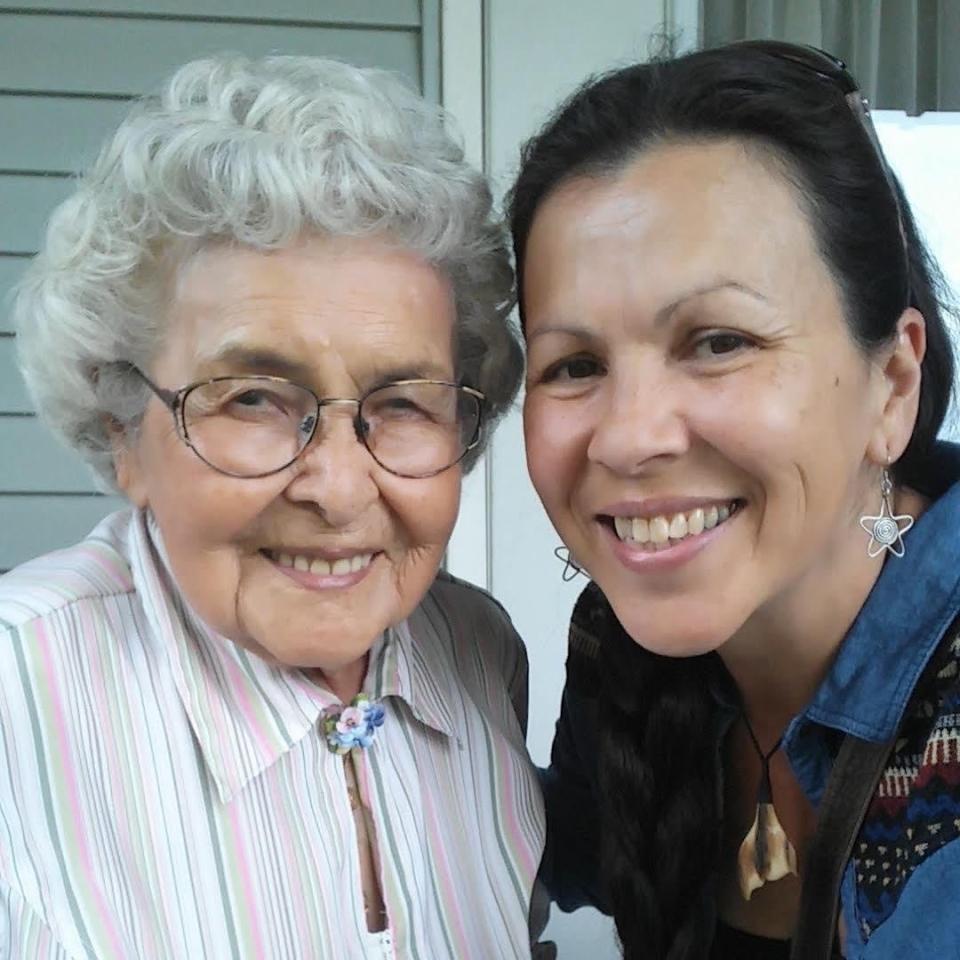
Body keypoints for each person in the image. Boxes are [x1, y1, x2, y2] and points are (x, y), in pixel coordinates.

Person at [1, 54, 547, 959]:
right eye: (252, 397)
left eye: (404, 402)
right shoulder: (17, 700)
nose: (338, 489)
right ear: (124, 433)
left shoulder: (478, 653)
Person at [508, 40, 959, 960]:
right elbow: (571, 844)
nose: (630, 437)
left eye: (718, 341)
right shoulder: (621, 641)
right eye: (576, 364)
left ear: (893, 382)